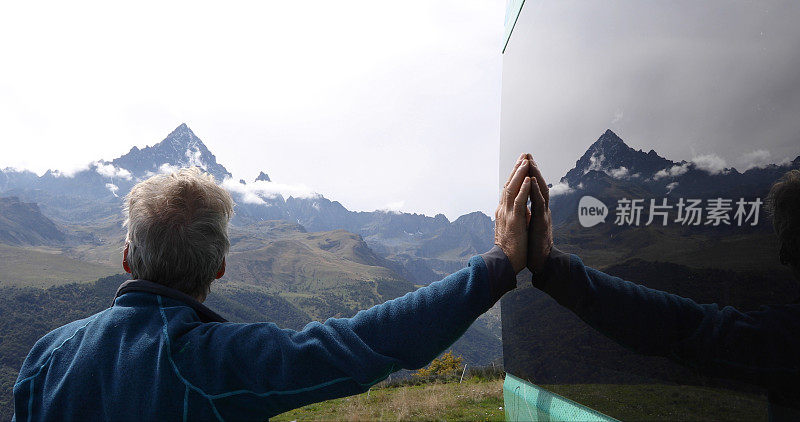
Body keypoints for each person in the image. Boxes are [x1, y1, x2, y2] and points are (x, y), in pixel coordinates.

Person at [12, 155, 535, 421]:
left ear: (127, 257)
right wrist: (498, 265)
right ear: (218, 268)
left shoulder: (44, 358)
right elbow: (367, 342)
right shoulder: (215, 364)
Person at [524, 162, 800, 421]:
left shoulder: (787, 338)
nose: (782, 258)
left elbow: (685, 327)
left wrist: (550, 266)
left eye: (786, 247)